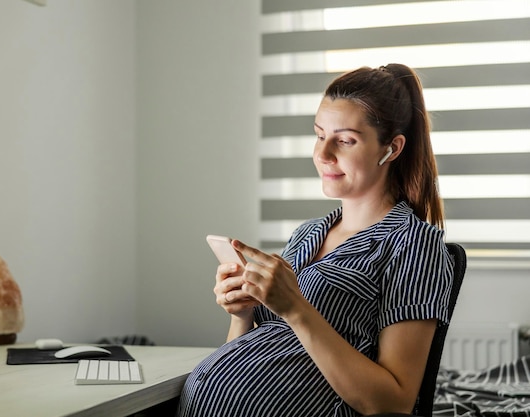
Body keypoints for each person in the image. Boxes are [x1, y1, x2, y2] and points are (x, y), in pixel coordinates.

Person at [176, 63, 455, 417]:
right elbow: (254, 352)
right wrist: (243, 314)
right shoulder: (307, 234)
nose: (323, 154)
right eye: (319, 135)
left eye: (346, 140)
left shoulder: (414, 244)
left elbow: (394, 402)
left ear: (392, 148)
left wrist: (295, 307)